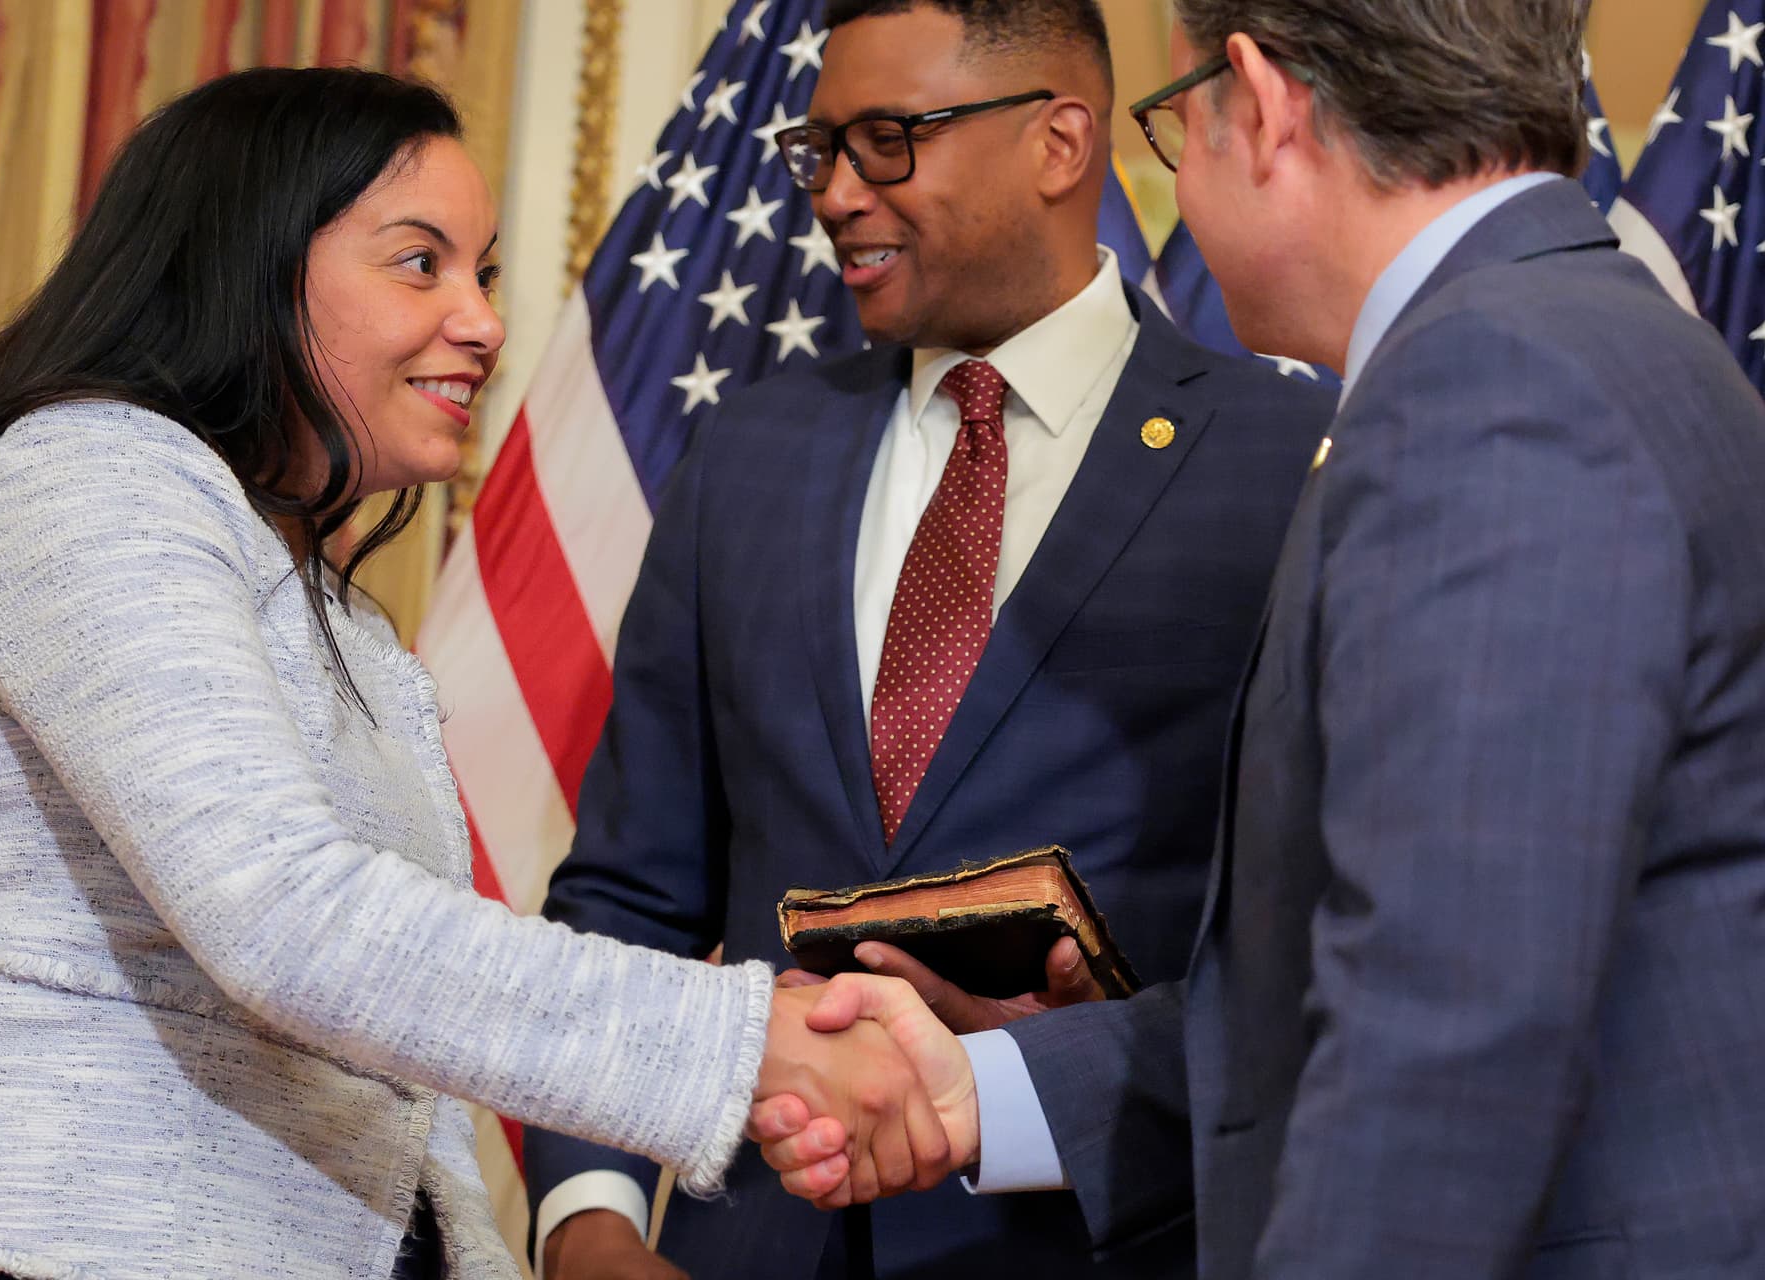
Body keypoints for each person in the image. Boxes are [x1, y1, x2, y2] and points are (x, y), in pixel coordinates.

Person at [0, 67, 949, 1280]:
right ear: (246, 263)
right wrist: (750, 1045)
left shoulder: (332, 610)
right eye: (419, 262)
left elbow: (384, 1080)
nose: (481, 320)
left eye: (480, 270)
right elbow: (288, 917)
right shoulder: (86, 472)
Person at [756, 0, 1765, 1275]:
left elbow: (1446, 1038)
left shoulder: (1496, 385)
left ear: (1262, 101)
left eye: (1176, 122)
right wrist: (985, 1093)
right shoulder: (1583, 338)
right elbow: (1341, 988)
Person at [523, 2, 1333, 1278]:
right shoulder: (747, 454)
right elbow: (629, 891)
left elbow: (1307, 962)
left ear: (1060, 143)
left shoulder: (1291, 463)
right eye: (820, 149)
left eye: (889, 140)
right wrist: (587, 1220)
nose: (837, 193)